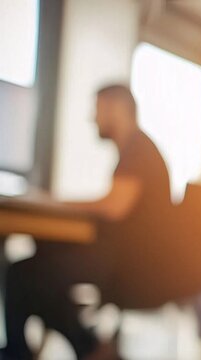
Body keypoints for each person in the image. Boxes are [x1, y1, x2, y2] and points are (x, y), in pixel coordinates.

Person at [2, 84, 171, 359]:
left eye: (97, 109)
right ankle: (89, 347)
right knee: (41, 264)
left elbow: (114, 207)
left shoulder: (138, 150)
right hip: (125, 258)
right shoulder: (135, 149)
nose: (93, 118)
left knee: (24, 274)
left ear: (116, 108)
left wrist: (57, 202)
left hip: (127, 263)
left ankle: (27, 352)